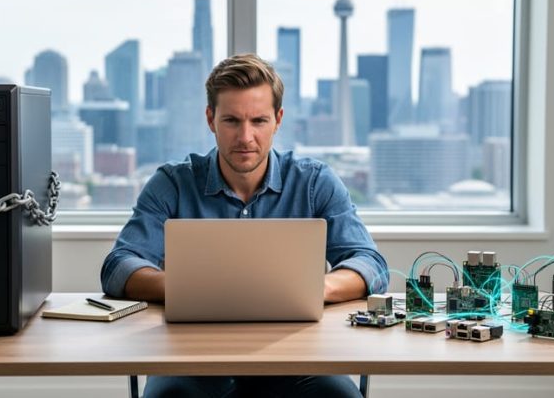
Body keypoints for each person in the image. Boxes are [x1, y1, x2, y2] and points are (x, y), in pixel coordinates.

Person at [101, 53, 388, 398]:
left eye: (259, 121)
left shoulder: (314, 182)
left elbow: (370, 263)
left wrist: (312, 289)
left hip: (296, 358)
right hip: (191, 359)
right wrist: (191, 289)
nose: (246, 137)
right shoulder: (173, 183)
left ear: (278, 120)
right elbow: (118, 266)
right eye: (232, 121)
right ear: (211, 119)